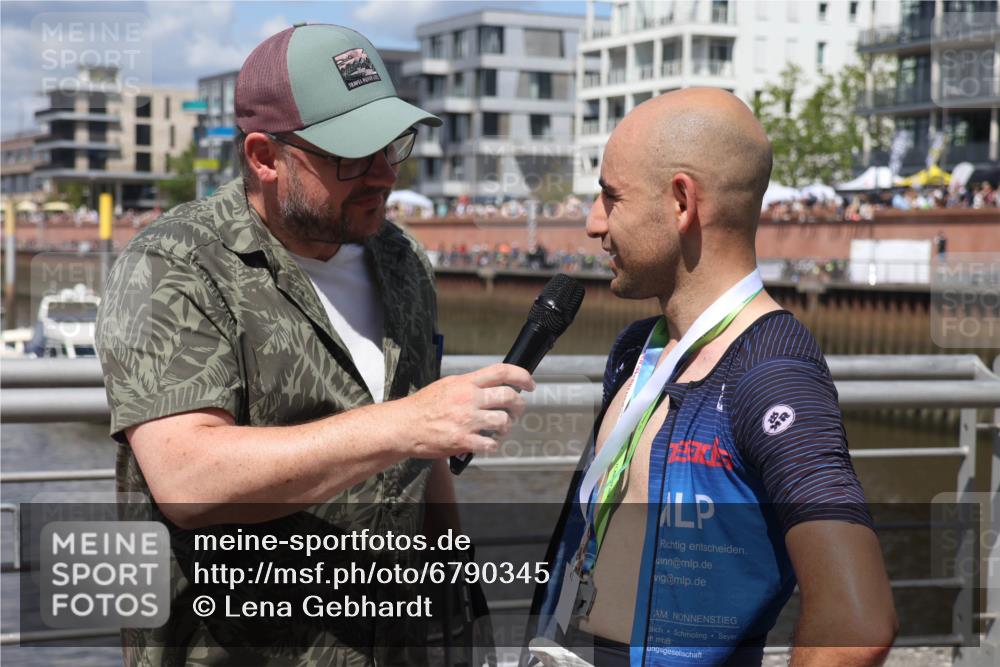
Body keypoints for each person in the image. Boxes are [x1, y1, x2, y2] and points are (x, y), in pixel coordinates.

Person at [96, 23, 533, 666]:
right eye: (351, 156)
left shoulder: (403, 260)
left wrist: (455, 593)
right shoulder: (173, 265)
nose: (383, 175)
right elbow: (188, 477)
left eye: (392, 145)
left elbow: (428, 453)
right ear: (264, 157)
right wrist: (404, 424)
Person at [527, 89, 897, 666]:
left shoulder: (773, 374)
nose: (593, 223)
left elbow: (857, 622)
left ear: (682, 202)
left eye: (611, 197)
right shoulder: (638, 349)